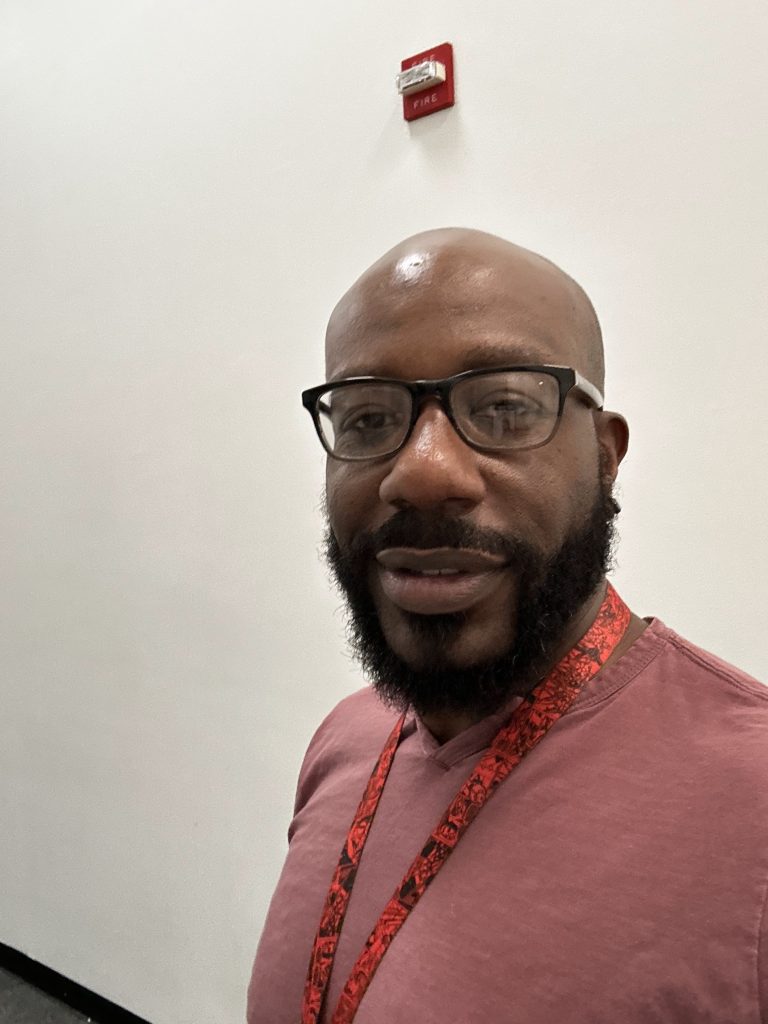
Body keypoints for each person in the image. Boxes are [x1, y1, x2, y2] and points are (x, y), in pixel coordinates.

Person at [247, 229, 768, 1024]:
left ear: (605, 455)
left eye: (503, 408)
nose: (423, 471)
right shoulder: (345, 739)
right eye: (367, 419)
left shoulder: (751, 803)